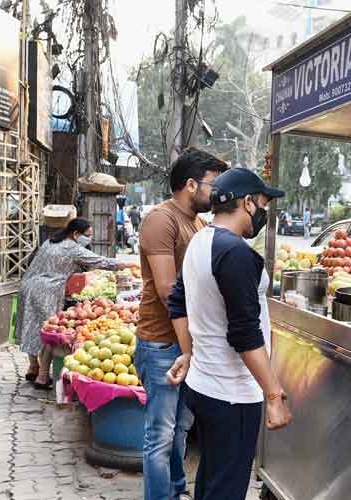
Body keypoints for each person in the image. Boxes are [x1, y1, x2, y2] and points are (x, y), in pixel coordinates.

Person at [166, 168, 293, 500]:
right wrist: (274, 395)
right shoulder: (236, 252)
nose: (263, 212)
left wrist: (189, 353)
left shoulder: (200, 240)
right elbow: (245, 334)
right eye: (263, 203)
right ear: (248, 203)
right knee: (226, 490)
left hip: (204, 386)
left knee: (211, 481)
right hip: (232, 394)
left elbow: (178, 302)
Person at [136, 148, 228, 500]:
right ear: (191, 185)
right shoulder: (161, 220)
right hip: (162, 343)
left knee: (180, 432)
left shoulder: (199, 224)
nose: (216, 192)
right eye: (212, 184)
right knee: (160, 434)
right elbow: (166, 290)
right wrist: (189, 345)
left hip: (187, 343)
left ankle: (175, 490)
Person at [13, 218, 129, 389]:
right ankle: (43, 377)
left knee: (30, 327)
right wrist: (121, 264)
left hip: (27, 286)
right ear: (75, 234)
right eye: (87, 235)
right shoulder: (73, 248)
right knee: (49, 332)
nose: (88, 239)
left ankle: (33, 367)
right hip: (47, 291)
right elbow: (99, 261)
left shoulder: (50, 241)